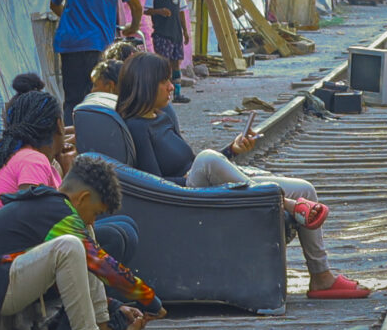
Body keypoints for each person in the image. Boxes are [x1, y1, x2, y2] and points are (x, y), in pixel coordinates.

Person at [109, 53, 369, 300]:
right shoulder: (137, 128)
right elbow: (154, 186)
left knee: (305, 189)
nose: (171, 86)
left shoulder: (163, 116)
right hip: (182, 199)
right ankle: (282, 201)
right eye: (163, 81)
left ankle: (321, 276)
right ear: (146, 86)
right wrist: (194, 173)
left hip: (198, 181)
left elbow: (192, 163)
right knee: (207, 158)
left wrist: (231, 151)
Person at [0, 154, 152, 330]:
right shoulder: (57, 211)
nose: (93, 219)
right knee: (71, 245)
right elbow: (93, 263)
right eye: (95, 212)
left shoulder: (57, 208)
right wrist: (149, 299)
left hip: (9, 277)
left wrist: (114, 306)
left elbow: (81, 270)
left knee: (83, 236)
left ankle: (103, 328)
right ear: (82, 198)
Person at [48, 0, 141, 113]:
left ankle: (71, 139)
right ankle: (97, 133)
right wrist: (132, 27)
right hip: (98, 43)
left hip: (70, 43)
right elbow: (136, 5)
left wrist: (70, 17)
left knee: (72, 98)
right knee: (100, 96)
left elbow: (54, 5)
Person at [0, 88, 67, 245]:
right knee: (109, 235)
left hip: (7, 252)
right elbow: (35, 226)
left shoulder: (25, 156)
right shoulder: (33, 161)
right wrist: (72, 172)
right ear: (59, 124)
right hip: (11, 258)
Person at [67, 39, 142, 167]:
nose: (92, 90)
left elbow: (83, 134)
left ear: (110, 86)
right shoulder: (129, 103)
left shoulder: (112, 111)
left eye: (95, 85)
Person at [146, 0, 188, 94]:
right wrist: (159, 11)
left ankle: (177, 92)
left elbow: (181, 12)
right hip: (162, 34)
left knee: (176, 63)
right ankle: (162, 93)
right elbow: (146, 10)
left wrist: (185, 32)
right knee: (164, 64)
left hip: (176, 33)